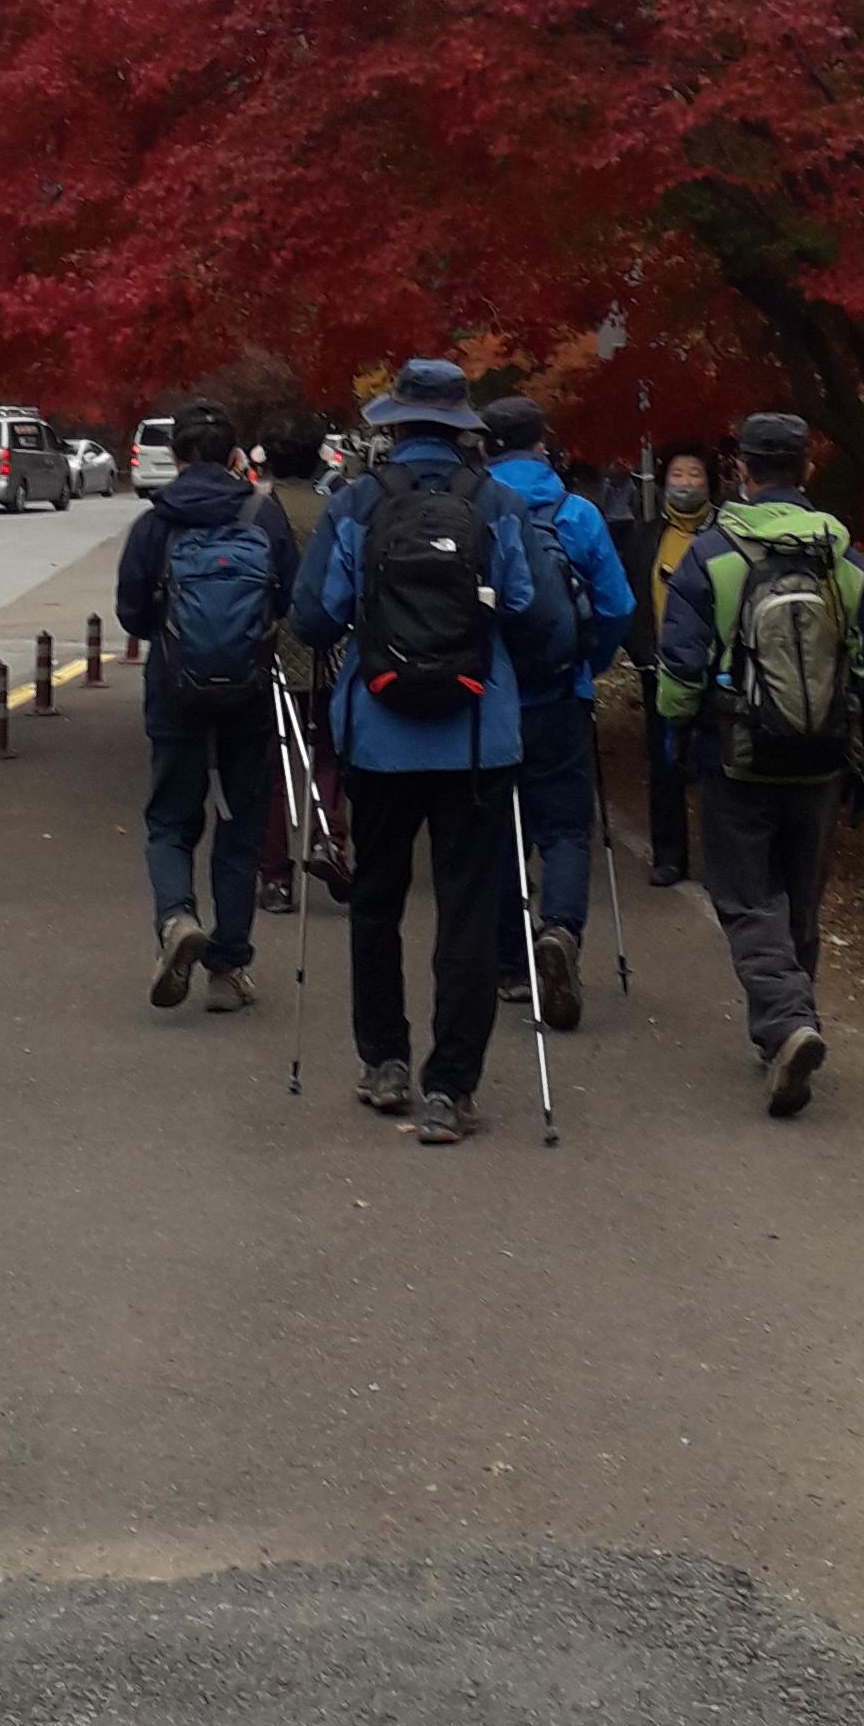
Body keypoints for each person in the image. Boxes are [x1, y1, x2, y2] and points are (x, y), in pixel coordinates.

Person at [291, 354, 533, 1145]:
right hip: (477, 735)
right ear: (463, 427)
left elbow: (314, 618)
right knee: (468, 909)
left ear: (392, 425)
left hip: (380, 732)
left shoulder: (356, 503)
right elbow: (525, 604)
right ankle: (450, 1089)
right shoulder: (497, 502)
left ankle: (385, 1063)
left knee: (377, 901)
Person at [655, 407, 864, 1117]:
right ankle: (792, 1026)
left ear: (742, 471)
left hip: (738, 755)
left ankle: (788, 1024)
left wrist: (677, 737)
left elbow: (681, 668)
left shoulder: (713, 555)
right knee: (801, 898)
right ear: (808, 469)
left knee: (745, 898)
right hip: (823, 757)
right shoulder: (844, 559)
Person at [113, 399, 299, 1015]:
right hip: (249, 692)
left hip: (174, 691)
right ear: (234, 455)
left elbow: (131, 614)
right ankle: (227, 967)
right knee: (241, 827)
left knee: (170, 820)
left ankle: (176, 919)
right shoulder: (261, 515)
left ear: (175, 455)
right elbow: (289, 597)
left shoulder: (155, 524)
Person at [478, 397, 633, 1028]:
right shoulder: (577, 513)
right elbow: (618, 605)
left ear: (483, 445)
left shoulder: (472, 507)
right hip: (561, 696)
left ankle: (511, 965)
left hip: (487, 698)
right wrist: (586, 662)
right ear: (542, 443)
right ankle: (560, 931)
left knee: (496, 830)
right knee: (566, 827)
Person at [619, 441, 720, 886]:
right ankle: (669, 855)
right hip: (660, 670)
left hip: (719, 673)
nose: (686, 484)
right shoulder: (646, 537)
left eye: (695, 474)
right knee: (664, 766)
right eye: (678, 475)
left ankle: (720, 862)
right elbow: (629, 598)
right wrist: (640, 651)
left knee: (717, 767)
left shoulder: (726, 535)